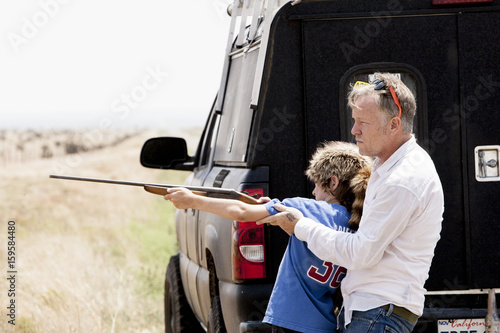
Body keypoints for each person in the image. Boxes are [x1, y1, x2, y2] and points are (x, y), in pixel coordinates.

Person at [258, 73, 444, 333]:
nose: (354, 130)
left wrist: (301, 226)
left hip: (378, 315)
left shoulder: (402, 179)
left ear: (393, 125)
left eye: (362, 123)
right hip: (376, 313)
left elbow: (362, 253)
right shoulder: (390, 165)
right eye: (355, 121)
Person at [164, 141, 372, 333]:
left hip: (290, 321)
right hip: (324, 325)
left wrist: (192, 201)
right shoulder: (357, 226)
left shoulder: (305, 208)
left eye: (317, 184)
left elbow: (241, 212)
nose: (313, 192)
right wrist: (269, 206)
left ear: (333, 182)